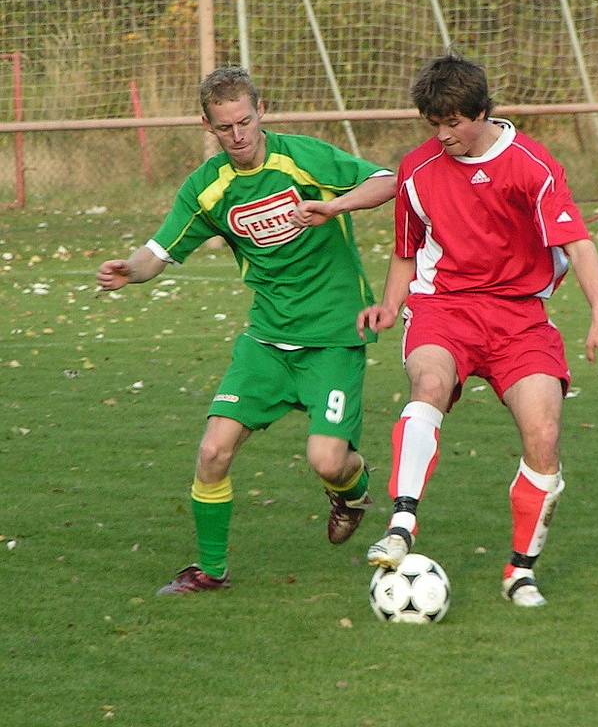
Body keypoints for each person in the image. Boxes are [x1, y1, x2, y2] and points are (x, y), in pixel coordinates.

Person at [96, 65, 395, 595]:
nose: (238, 136)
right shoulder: (208, 189)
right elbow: (159, 251)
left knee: (328, 460)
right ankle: (211, 571)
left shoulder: (303, 157)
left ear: (261, 112)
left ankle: (351, 491)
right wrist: (130, 270)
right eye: (224, 127)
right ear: (207, 127)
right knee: (213, 451)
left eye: (244, 122)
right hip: (265, 341)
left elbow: (387, 181)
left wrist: (335, 206)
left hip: (332, 335)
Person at [356, 53, 598, 607]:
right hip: (444, 308)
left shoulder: (533, 164)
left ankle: (520, 572)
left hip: (520, 317)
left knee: (544, 435)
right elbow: (406, 254)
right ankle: (403, 520)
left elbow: (578, 244)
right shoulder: (417, 169)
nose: (444, 135)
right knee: (427, 384)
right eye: (434, 124)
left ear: (480, 112)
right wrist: (389, 305)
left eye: (453, 122)